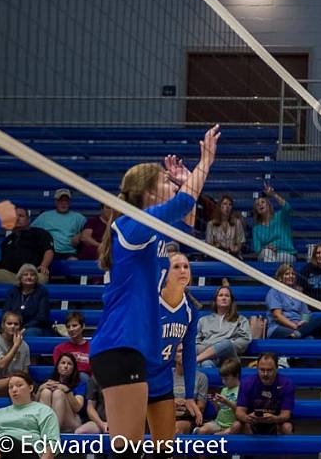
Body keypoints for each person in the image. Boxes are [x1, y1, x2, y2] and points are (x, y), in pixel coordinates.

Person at [87, 124, 219, 449]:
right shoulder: (131, 225)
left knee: (159, 449)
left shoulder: (153, 230)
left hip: (137, 348)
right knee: (128, 449)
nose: (169, 184)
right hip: (120, 344)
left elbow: (187, 218)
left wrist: (181, 182)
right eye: (163, 180)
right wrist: (205, 162)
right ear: (148, 193)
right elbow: (181, 204)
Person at [147, 250, 201, 444]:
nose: (183, 270)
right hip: (136, 376)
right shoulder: (150, 301)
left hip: (162, 378)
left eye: (186, 266)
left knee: (164, 447)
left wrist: (189, 396)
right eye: (176, 266)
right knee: (128, 447)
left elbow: (189, 354)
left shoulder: (191, 309)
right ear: (164, 273)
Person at [0, 371, 60, 459]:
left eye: (19, 385)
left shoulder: (43, 411)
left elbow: (52, 443)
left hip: (28, 452)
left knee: (6, 441)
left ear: (30, 388)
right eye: (10, 387)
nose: (14, 389)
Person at [235, 352, 295, 435]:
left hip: (276, 422)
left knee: (287, 427)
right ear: (257, 368)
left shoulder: (286, 384)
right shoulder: (246, 383)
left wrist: (275, 419)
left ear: (277, 368)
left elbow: (286, 414)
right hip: (252, 422)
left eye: (269, 370)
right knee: (237, 425)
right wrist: (247, 418)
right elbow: (239, 411)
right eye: (262, 370)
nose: (265, 374)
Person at [195, 284, 252, 367]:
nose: (224, 298)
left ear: (231, 300)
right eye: (220, 295)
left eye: (227, 296)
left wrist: (222, 347)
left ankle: (195, 360)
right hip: (209, 358)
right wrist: (214, 348)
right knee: (206, 363)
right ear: (216, 300)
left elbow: (245, 340)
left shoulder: (241, 319)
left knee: (226, 343)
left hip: (230, 357)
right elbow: (196, 342)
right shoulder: (203, 320)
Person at [266, 263, 321, 339]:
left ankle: (296, 335)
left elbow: (306, 313)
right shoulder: (274, 291)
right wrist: (294, 326)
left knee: (320, 320)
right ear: (280, 278)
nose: (291, 276)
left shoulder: (298, 293)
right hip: (279, 327)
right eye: (287, 274)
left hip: (298, 327)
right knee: (308, 337)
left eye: (293, 274)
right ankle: (298, 334)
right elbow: (277, 316)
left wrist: (304, 321)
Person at [0, 207, 54, 285]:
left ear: (28, 220)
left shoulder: (40, 233)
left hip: (32, 273)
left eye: (21, 216)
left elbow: (49, 250)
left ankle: (20, 286)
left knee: (41, 278)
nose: (17, 218)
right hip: (10, 275)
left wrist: (44, 265)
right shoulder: (7, 240)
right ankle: (21, 285)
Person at [36, 352, 86, 432]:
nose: (65, 366)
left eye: (69, 364)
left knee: (58, 393)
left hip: (72, 421)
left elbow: (77, 408)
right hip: (50, 423)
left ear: (73, 368)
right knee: (46, 392)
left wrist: (67, 390)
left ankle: (52, 434)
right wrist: (40, 389)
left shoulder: (79, 383)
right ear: (58, 366)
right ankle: (45, 430)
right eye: (63, 363)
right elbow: (34, 405)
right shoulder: (49, 381)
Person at [32, 188, 86, 260]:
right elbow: (31, 231)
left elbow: (89, 231)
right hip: (49, 251)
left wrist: (80, 235)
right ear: (56, 202)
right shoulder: (45, 216)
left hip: (70, 252)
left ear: (69, 202)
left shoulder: (78, 217)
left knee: (74, 262)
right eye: (60, 200)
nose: (63, 203)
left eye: (66, 200)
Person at [195, 358, 243, 435]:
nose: (223, 382)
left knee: (234, 427)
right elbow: (219, 410)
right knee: (202, 430)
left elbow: (240, 411)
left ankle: (220, 434)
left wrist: (226, 402)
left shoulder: (242, 390)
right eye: (222, 379)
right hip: (218, 423)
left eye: (226, 379)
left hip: (231, 425)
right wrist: (215, 403)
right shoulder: (224, 389)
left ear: (236, 375)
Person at [252, 184, 296, 263]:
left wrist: (273, 194)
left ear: (269, 205)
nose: (260, 205)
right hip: (266, 254)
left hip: (285, 253)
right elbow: (257, 249)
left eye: (262, 202)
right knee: (267, 253)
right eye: (257, 205)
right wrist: (268, 247)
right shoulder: (256, 228)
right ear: (256, 210)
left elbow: (288, 208)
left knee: (280, 258)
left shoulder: (280, 216)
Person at [4, 263, 51, 337]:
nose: (29, 277)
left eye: (32, 275)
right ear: (20, 277)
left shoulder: (42, 292)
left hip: (35, 327)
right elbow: (6, 312)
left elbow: (42, 317)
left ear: (36, 278)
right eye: (25, 274)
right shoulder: (12, 291)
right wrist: (13, 326)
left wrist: (23, 327)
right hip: (14, 325)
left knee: (30, 332)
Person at [172, 346, 208, 435]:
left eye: (187, 351)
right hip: (167, 414)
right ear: (173, 355)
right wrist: (172, 403)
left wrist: (186, 405)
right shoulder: (166, 376)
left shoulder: (201, 377)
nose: (184, 354)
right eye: (180, 351)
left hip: (188, 418)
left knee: (177, 429)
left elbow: (201, 407)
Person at [0, 310, 30, 396]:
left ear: (20, 327)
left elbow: (25, 372)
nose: (13, 326)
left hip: (17, 383)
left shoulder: (25, 346)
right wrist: (15, 346)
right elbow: (1, 364)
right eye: (9, 323)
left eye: (16, 324)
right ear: (2, 325)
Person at [52, 311, 91, 376]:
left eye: (74, 325)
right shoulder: (59, 349)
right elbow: (59, 371)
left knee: (82, 376)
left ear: (83, 326)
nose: (71, 329)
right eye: (68, 327)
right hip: (66, 380)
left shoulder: (92, 347)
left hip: (86, 382)